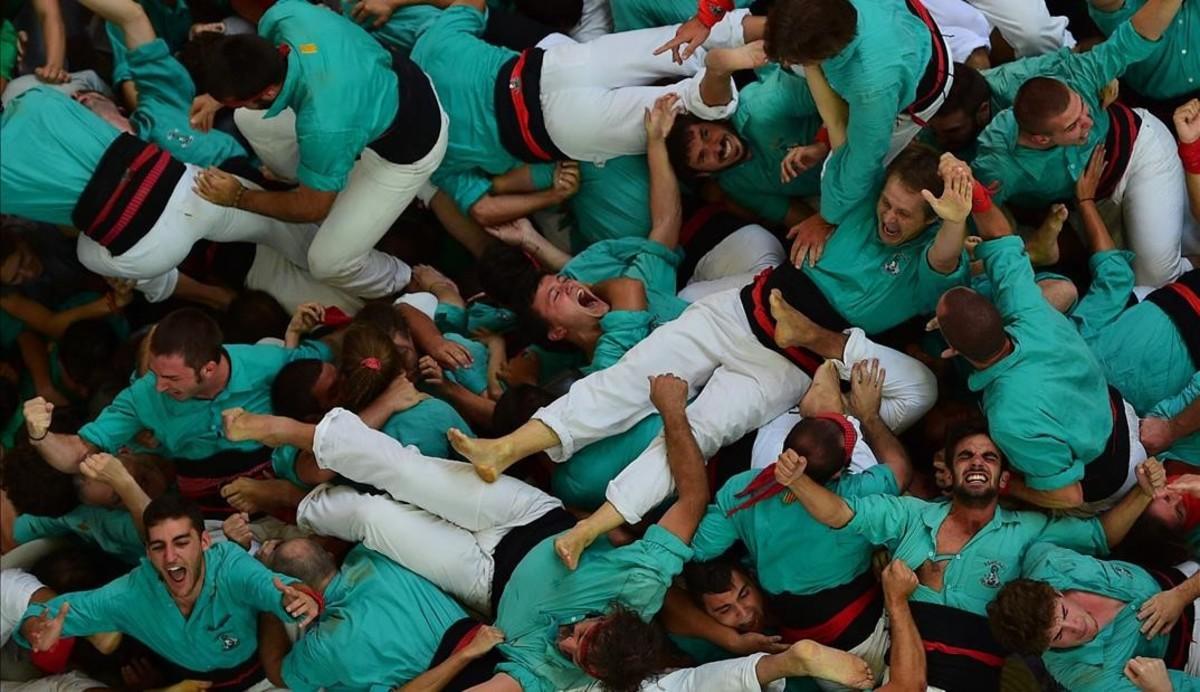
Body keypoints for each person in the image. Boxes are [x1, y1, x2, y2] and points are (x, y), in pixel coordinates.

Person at [222, 375, 877, 691]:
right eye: (581, 629)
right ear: (615, 615)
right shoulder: (640, 582)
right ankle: (297, 435)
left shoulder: (562, 679)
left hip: (480, 577)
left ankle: (300, 502)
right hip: (524, 518)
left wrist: (464, 666)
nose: (563, 637)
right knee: (405, 473)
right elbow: (697, 493)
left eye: (571, 647)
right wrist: (673, 409)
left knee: (369, 518)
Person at [773, 421, 1166, 690]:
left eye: (989, 457)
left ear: (1003, 479)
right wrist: (797, 481)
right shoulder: (911, 515)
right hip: (899, 667)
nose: (977, 462)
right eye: (965, 456)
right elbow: (841, 514)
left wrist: (1143, 493)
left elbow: (1099, 535)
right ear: (952, 469)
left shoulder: (1028, 530)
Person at [669, 359, 909, 689]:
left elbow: (696, 548)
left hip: (810, 632)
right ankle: (831, 411)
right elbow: (899, 468)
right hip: (859, 637)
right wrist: (868, 416)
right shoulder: (856, 493)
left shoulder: (743, 491)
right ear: (840, 474)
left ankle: (820, 410)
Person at [404, 0, 757, 224]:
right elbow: (475, 5)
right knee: (680, 41)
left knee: (671, 107)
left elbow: (482, 210)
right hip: (557, 67)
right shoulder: (433, 44)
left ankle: (718, 70)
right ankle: (763, 39)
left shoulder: (417, 142)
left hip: (556, 123)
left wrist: (552, 196)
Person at [195, 0, 448, 300]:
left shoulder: (323, 126)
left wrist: (239, 197)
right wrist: (220, 98)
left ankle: (403, 280)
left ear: (269, 92)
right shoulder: (287, 15)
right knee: (249, 117)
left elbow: (312, 208)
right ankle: (312, 179)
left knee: (326, 262)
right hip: (382, 83)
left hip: (407, 147)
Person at [935, 203, 1151, 510]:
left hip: (1112, 476)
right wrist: (977, 194)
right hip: (1122, 415)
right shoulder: (1030, 311)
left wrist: (1007, 485)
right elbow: (999, 234)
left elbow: (1068, 495)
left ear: (952, 350)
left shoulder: (1009, 417)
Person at [971, 0, 1195, 287]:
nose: (1088, 122)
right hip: (1083, 204)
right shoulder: (997, 163)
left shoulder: (1076, 73)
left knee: (1156, 279)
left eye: (1083, 110)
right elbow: (985, 220)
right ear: (1041, 139)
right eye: (1073, 125)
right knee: (1120, 279)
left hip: (1137, 154)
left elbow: (1132, 40)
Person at [23, 308, 330, 516]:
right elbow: (77, 453)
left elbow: (330, 358)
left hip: (280, 469)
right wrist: (40, 437)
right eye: (155, 374)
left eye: (170, 379)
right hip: (205, 500)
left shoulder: (268, 363)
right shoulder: (143, 396)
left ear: (208, 369)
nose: (157, 387)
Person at [13, 495, 319, 690]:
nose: (170, 557)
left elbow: (273, 588)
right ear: (147, 552)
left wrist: (299, 597)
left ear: (204, 543)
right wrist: (35, 627)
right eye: (159, 546)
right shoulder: (130, 594)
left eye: (181, 543)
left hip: (261, 672)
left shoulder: (230, 565)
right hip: (190, 682)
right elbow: (44, 615)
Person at [255, 538, 506, 691]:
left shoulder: (322, 649)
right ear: (330, 556)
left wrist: (268, 595)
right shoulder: (373, 555)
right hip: (483, 654)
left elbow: (278, 674)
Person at [987, 542, 1200, 690]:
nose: (1077, 626)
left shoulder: (1049, 562)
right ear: (1045, 649)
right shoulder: (1086, 678)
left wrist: (1181, 596)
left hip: (1184, 578)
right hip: (1190, 649)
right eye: (1059, 635)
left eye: (1064, 612)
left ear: (1055, 591)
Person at [663, 63, 826, 229]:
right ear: (703, 173)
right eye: (703, 156)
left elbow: (835, 93)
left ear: (712, 119)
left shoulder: (759, 108)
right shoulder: (735, 185)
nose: (716, 147)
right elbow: (795, 215)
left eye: (706, 134)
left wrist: (823, 144)